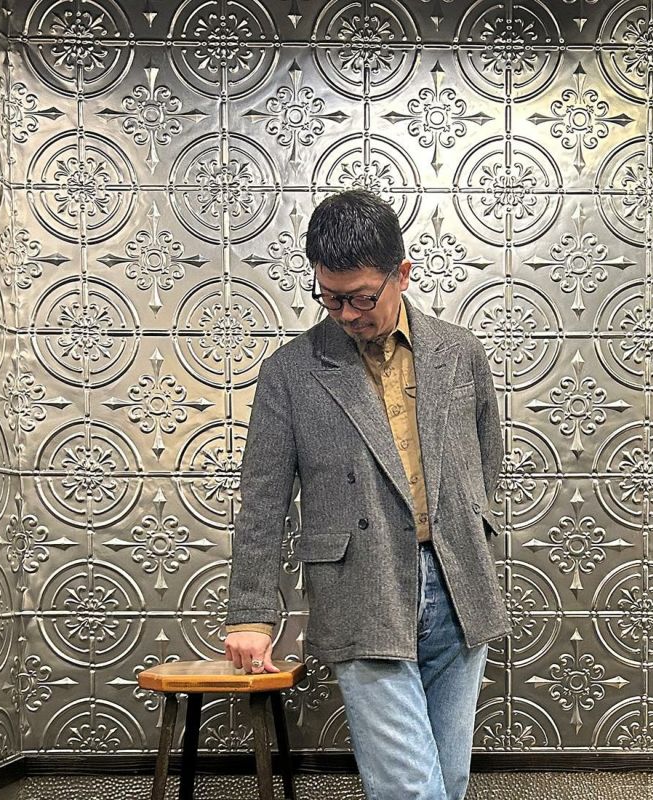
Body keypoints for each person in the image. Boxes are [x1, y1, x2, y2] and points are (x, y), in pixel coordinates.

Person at [225, 189, 510, 800]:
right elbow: (263, 499)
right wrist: (251, 613)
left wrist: (473, 530)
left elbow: (487, 459)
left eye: (360, 297)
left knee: (449, 781)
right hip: (361, 583)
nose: (346, 313)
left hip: (459, 583)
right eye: (330, 297)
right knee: (410, 789)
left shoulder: (460, 351)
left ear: (401, 274)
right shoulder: (291, 371)